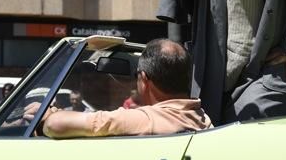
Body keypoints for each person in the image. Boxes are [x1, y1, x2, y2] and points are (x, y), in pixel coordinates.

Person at [37, 39, 212, 139]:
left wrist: (46, 116)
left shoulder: (146, 120)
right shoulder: (202, 118)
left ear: (143, 79)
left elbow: (55, 125)